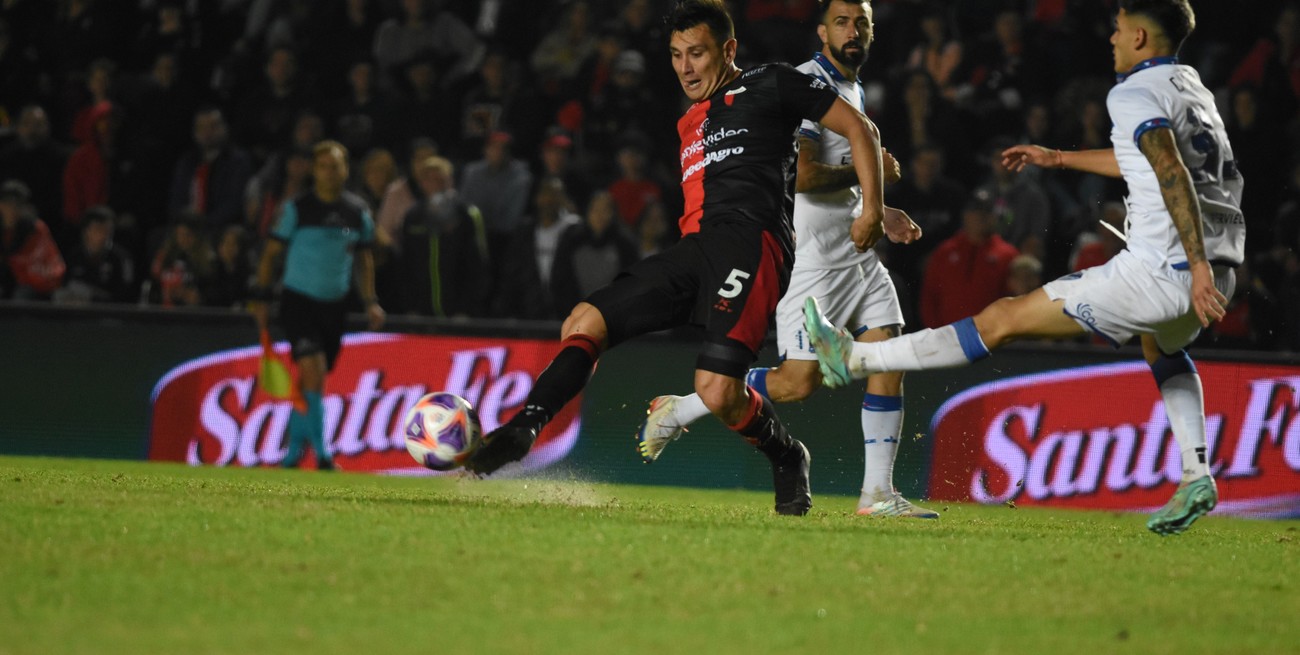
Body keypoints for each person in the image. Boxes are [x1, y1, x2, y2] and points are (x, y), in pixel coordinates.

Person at [804, 0, 1243, 536]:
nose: (1111, 38)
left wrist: (1192, 265)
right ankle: (1198, 473)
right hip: (1219, 269)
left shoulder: (1132, 90)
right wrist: (1057, 158)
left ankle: (854, 356)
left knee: (1003, 318)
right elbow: (1148, 158)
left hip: (1168, 270)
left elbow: (1169, 167)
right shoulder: (1191, 86)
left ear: (1140, 40)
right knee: (1164, 347)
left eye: (1120, 29)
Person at [467, 0, 914, 518]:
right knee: (584, 319)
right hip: (694, 250)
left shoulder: (772, 82)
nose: (685, 67)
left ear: (728, 50)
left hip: (753, 246)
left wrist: (874, 211)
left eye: (697, 53)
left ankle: (788, 454)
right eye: (676, 55)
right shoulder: (689, 122)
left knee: (717, 391)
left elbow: (863, 130)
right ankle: (525, 426)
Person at [633, 0, 932, 518]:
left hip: (855, 255)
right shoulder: (807, 83)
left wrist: (880, 207)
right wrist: (873, 185)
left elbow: (843, 175)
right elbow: (809, 175)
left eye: (861, 21)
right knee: (798, 383)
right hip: (813, 259)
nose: (852, 30)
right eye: (842, 21)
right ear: (822, 31)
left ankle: (878, 494)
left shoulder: (852, 87)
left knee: (890, 352)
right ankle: (685, 406)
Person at [249, 141, 385, 471]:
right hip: (298, 302)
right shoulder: (297, 209)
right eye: (323, 165)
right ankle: (323, 455)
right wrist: (261, 296)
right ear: (314, 171)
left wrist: (370, 302)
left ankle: (292, 455)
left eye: (336, 165)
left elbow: (364, 259)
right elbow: (270, 254)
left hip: (334, 306)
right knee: (314, 369)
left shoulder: (357, 211)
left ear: (345, 169)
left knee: (312, 379)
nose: (330, 172)